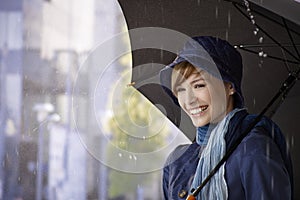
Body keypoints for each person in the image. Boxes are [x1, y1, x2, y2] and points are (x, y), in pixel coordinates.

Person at [159, 36, 293, 200]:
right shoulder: (176, 162)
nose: (189, 100)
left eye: (199, 85)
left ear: (230, 86)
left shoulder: (253, 149)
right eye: (180, 89)